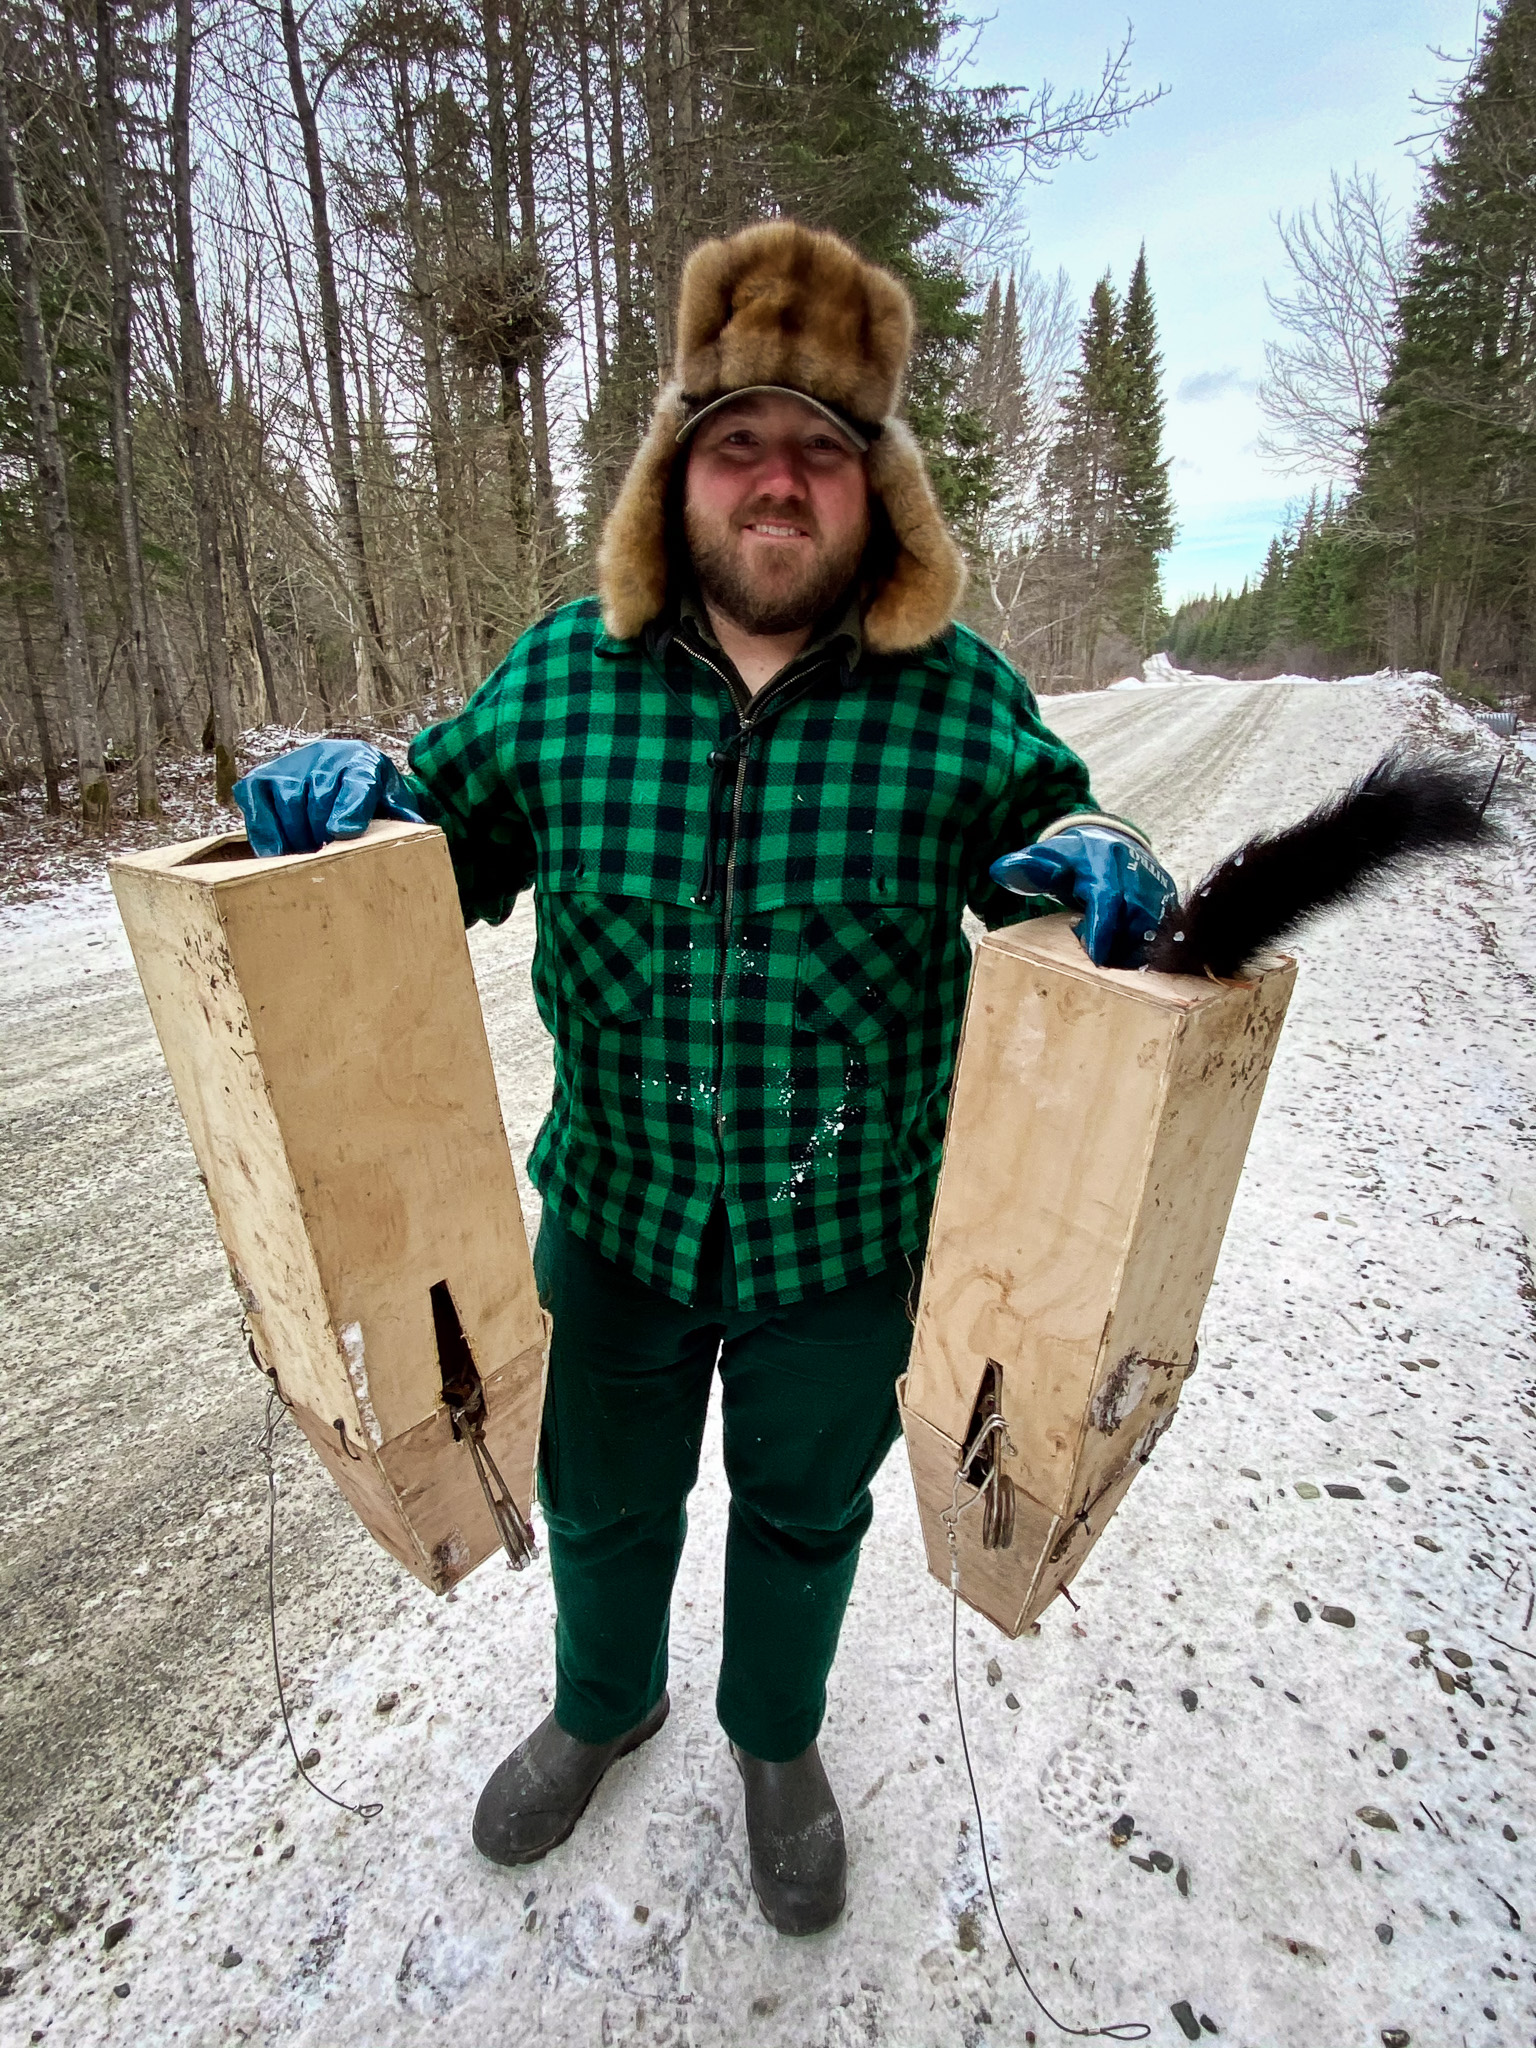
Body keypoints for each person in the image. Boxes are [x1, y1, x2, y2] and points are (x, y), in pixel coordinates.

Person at [235, 220, 1174, 1937]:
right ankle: (606, 1702)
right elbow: (427, 840)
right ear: (679, 474)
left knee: (807, 1510)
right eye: (741, 443)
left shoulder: (954, 702)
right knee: (598, 1495)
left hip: (851, 1230)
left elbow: (1052, 823)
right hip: (617, 1210)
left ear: (875, 492)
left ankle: (774, 1736)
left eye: (822, 451)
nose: (778, 483)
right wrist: (356, 796)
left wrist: (1095, 852)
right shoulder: (559, 684)